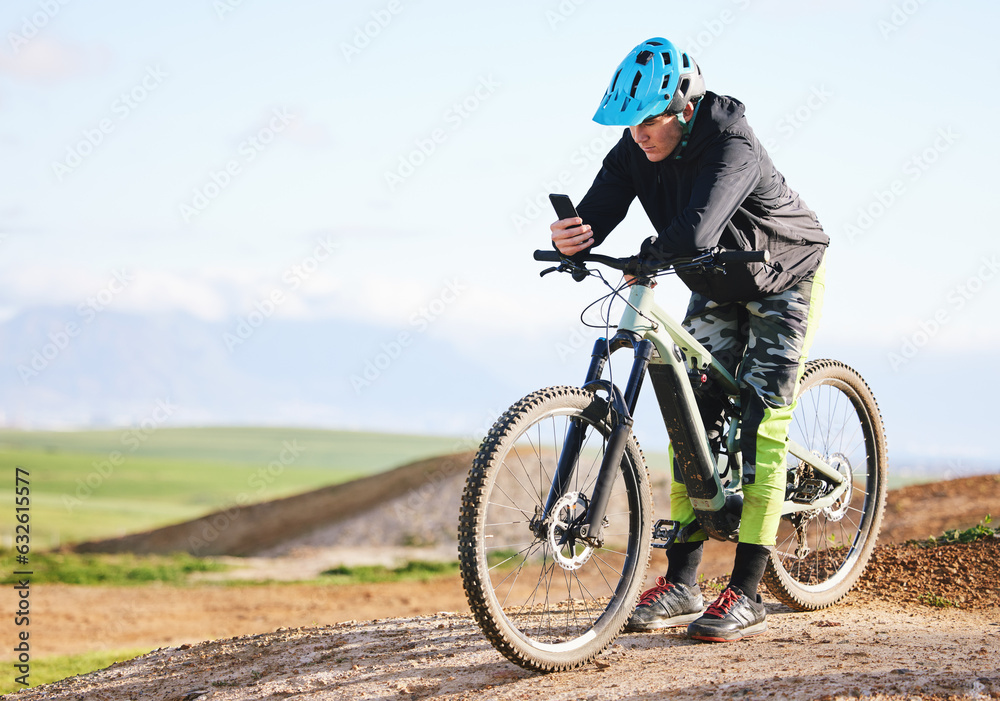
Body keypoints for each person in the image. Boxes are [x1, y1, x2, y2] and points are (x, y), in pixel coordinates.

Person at [549, 38, 829, 642]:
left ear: (682, 105)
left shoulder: (732, 143)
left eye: (649, 120)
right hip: (713, 276)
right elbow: (601, 211)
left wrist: (646, 256)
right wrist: (577, 237)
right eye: (630, 124)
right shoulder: (635, 147)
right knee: (690, 416)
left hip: (782, 271)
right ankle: (682, 583)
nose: (639, 135)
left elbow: (698, 228)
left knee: (762, 420)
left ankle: (749, 590)